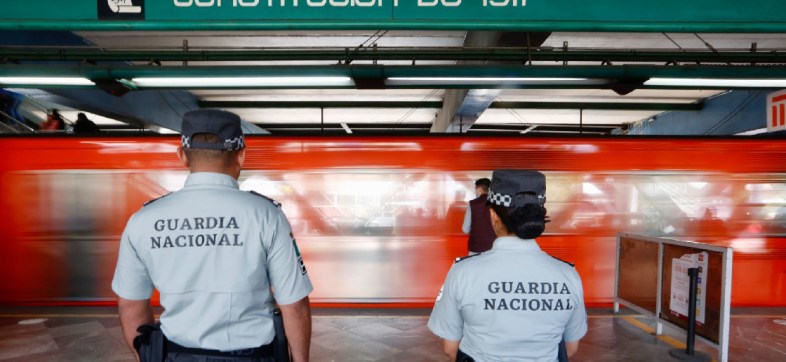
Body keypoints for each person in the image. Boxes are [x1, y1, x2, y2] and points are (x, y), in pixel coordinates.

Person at [111, 109, 313, 362]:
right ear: (241, 155)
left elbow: (130, 305)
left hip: (175, 355)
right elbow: (294, 304)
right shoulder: (266, 215)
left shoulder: (143, 221)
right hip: (255, 356)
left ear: (182, 156)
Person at [428, 170, 587, 362]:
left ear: (493, 216)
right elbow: (570, 348)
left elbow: (450, 348)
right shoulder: (568, 274)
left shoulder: (461, 272)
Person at [462, 178, 496, 255]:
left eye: (476, 189)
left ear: (479, 189)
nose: (475, 191)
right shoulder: (497, 204)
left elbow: (465, 229)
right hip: (493, 248)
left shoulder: (472, 204)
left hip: (475, 248)